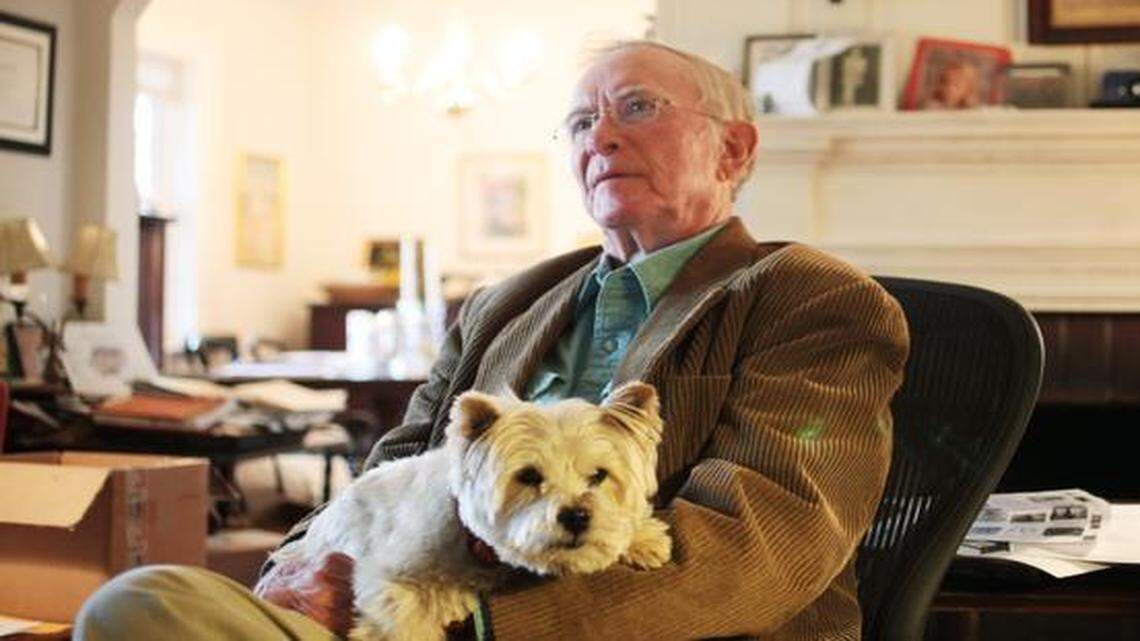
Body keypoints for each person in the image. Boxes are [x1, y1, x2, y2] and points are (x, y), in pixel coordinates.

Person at [75, 40, 908, 641]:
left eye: (637, 108)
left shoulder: (812, 300)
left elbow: (761, 545)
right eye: (580, 122)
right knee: (141, 603)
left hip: (609, 628)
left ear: (734, 147)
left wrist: (479, 624)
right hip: (405, 600)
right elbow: (389, 466)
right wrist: (296, 564)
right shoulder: (508, 301)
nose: (600, 137)